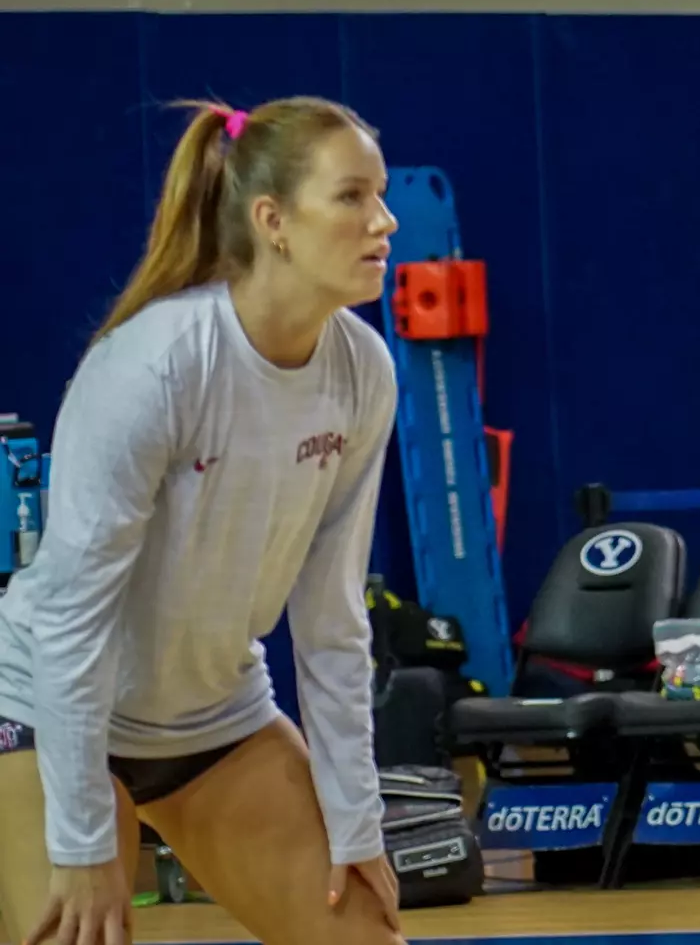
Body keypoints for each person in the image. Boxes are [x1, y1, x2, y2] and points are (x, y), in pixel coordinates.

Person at [0, 98, 407, 945]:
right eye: (353, 196)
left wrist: (355, 820)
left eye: (382, 194)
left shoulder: (364, 369)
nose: (384, 219)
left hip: (210, 718)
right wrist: (81, 843)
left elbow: (332, 620)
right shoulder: (156, 363)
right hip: (45, 704)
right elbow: (75, 619)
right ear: (273, 222)